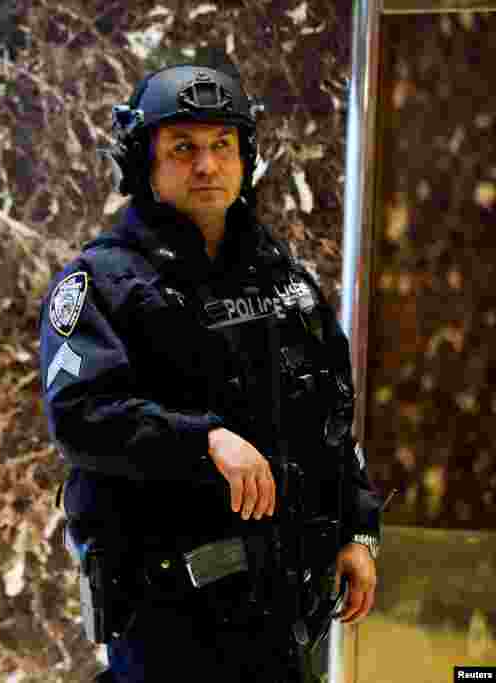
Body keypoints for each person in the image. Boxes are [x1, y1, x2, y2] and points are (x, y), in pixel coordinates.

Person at [39, 54, 382, 683]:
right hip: (169, 615)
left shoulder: (283, 279)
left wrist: (358, 530)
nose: (207, 165)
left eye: (223, 145)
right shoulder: (105, 280)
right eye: (183, 148)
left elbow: (330, 417)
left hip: (283, 609)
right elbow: (81, 417)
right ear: (145, 161)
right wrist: (203, 440)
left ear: (246, 156)